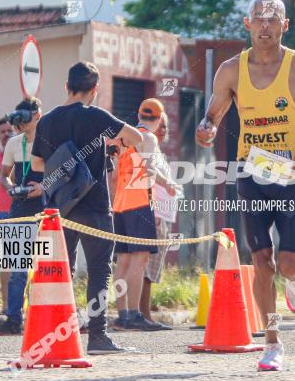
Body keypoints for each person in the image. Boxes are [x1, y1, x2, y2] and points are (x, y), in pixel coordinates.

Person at [195, 0, 295, 371]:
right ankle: (272, 342)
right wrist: (206, 129)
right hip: (251, 172)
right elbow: (213, 114)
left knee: (288, 265)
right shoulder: (230, 70)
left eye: (273, 20)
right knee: (261, 262)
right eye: (259, 19)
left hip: (290, 175)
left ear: (284, 26)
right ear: (247, 24)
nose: (265, 26)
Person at [30, 61, 143, 354]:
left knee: (61, 272)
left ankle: (57, 335)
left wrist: (64, 165)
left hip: (60, 208)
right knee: (98, 270)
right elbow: (138, 138)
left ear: (67, 87)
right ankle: (97, 336)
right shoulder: (95, 116)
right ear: (94, 90)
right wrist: (113, 142)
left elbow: (36, 164)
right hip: (94, 205)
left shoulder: (48, 120)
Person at [112, 99, 182, 331]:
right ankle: (133, 314)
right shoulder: (149, 138)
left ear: (140, 115)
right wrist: (168, 183)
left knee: (123, 260)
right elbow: (150, 169)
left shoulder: (124, 136)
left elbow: (114, 173)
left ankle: (122, 314)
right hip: (139, 201)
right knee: (140, 260)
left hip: (120, 203)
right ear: (160, 118)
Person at [0, 97, 44, 335]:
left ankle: (46, 316)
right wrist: (9, 188)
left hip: (45, 206)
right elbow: (4, 175)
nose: (21, 125)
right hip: (20, 206)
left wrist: (44, 188)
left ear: (37, 116)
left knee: (47, 266)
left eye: (26, 120)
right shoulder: (14, 143)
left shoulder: (48, 139)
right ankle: (14, 318)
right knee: (18, 267)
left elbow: (61, 171)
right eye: (19, 121)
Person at [141, 112, 176, 328]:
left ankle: (143, 313)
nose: (162, 129)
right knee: (146, 268)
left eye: (165, 125)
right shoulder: (148, 147)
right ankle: (142, 313)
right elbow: (148, 176)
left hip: (163, 215)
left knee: (153, 270)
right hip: (154, 214)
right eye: (159, 124)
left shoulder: (159, 152)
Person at [0, 116, 15, 316]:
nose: (6, 134)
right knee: (7, 258)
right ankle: (6, 303)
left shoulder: (22, 153)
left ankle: (22, 302)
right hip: (4, 209)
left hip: (24, 210)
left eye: (9, 130)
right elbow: (4, 179)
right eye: (2, 132)